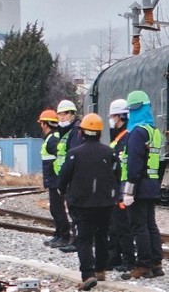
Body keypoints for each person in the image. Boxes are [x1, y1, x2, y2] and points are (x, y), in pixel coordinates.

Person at [59, 113, 121, 291]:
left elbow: (63, 178)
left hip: (81, 204)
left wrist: (63, 191)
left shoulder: (74, 154)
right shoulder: (110, 152)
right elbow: (117, 174)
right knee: (102, 236)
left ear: (82, 133)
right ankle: (101, 269)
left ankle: (88, 275)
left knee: (83, 239)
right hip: (105, 203)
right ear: (100, 133)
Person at [121, 90, 165, 280]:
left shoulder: (137, 132)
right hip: (152, 184)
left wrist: (129, 189)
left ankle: (143, 265)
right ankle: (156, 263)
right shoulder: (154, 131)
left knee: (139, 226)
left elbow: (134, 163)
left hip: (138, 185)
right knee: (150, 225)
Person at [106, 99, 135, 272]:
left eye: (113, 116)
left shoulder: (126, 137)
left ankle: (128, 260)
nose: (111, 119)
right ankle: (114, 257)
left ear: (120, 116)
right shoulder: (118, 137)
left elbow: (122, 165)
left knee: (122, 226)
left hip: (121, 188)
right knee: (113, 226)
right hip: (115, 188)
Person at [37, 109, 71, 248]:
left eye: (42, 123)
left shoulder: (53, 140)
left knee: (57, 209)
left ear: (45, 125)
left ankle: (64, 236)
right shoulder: (53, 138)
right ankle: (58, 235)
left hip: (55, 180)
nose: (41, 126)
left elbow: (61, 158)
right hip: (54, 180)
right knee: (55, 209)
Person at [54, 99, 84, 252]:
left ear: (72, 114)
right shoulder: (67, 132)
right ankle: (77, 240)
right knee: (73, 211)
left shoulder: (76, 132)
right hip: (68, 179)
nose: (61, 117)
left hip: (74, 179)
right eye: (59, 114)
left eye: (65, 114)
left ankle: (79, 242)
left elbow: (73, 157)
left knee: (77, 212)